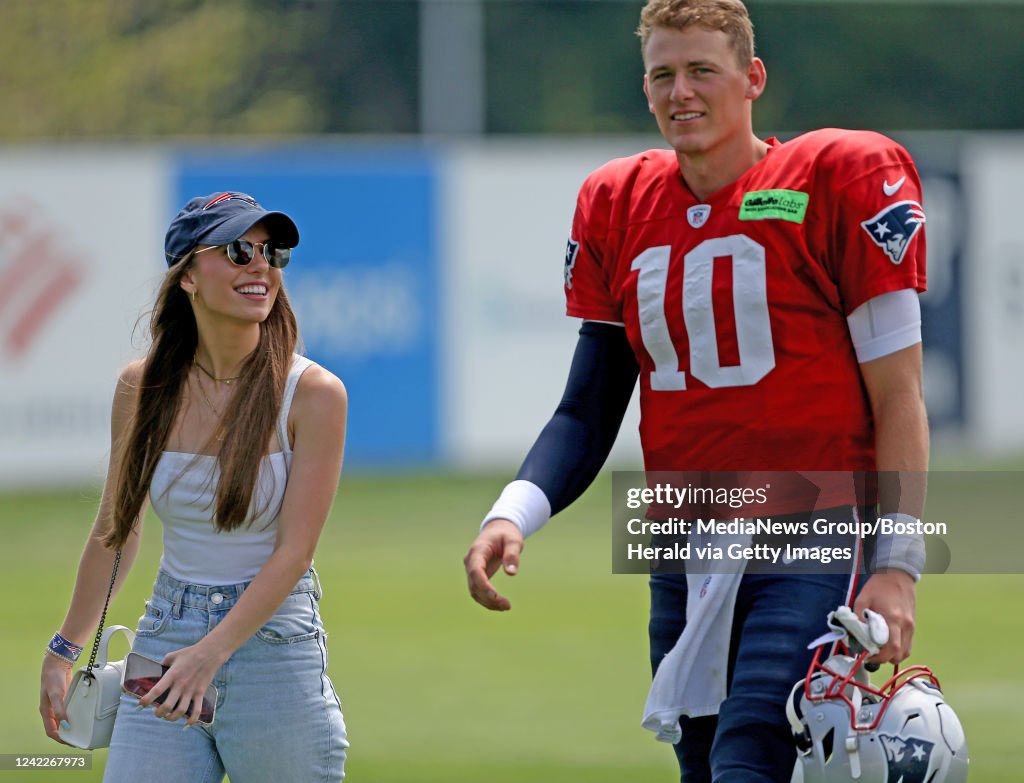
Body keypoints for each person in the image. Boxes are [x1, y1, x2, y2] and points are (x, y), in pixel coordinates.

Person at [463, 1, 929, 781]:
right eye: (662, 74)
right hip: (682, 538)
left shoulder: (835, 175)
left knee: (756, 751)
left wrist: (898, 563)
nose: (681, 91)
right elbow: (587, 407)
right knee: (705, 762)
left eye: (702, 70)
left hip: (814, 521)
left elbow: (900, 395)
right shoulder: (619, 202)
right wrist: (512, 512)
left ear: (753, 79)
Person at [39, 192, 349, 782]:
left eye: (270, 252)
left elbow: (295, 552)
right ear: (187, 276)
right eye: (238, 251)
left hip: (273, 647)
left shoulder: (314, 394)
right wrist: (64, 649)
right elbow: (116, 529)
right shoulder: (142, 386)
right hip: (165, 636)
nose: (259, 266)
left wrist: (212, 653)